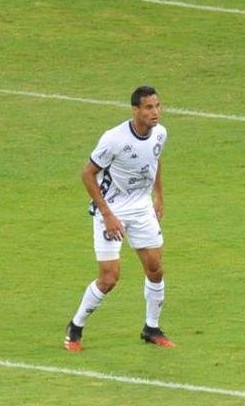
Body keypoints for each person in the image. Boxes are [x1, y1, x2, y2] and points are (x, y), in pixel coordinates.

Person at [64, 85, 174, 351]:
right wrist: (108, 215)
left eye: (157, 106)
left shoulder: (160, 134)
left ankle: (151, 328)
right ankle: (75, 327)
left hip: (141, 208)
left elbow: (155, 162)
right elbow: (88, 174)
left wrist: (158, 196)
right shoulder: (114, 139)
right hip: (112, 209)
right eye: (148, 107)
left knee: (155, 268)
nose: (155, 112)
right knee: (110, 278)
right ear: (135, 110)